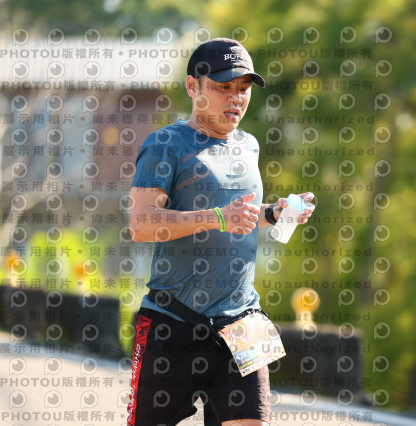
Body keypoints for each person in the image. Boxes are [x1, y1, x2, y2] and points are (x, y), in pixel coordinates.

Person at [126, 38, 315, 426]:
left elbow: (238, 216)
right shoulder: (166, 144)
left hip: (243, 322)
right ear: (192, 87)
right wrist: (216, 217)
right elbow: (141, 224)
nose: (236, 98)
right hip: (172, 322)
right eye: (223, 87)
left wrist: (273, 213)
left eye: (243, 88)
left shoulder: (249, 145)